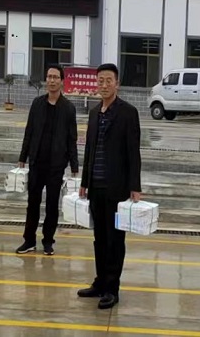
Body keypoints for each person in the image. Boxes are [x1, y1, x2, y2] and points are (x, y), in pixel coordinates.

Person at [76, 63, 142, 310]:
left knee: (115, 239)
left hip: (117, 188)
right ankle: (100, 281)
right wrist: (85, 182)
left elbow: (133, 152)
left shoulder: (128, 113)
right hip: (96, 187)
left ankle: (112, 289)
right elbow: (89, 150)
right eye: (100, 81)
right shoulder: (95, 113)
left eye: (108, 81)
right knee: (99, 238)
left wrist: (134, 185)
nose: (104, 85)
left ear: (117, 84)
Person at [16, 64, 79, 256]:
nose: (51, 80)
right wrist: (23, 157)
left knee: (52, 205)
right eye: (49, 77)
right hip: (36, 162)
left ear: (62, 81)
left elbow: (72, 139)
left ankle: (48, 241)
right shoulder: (37, 104)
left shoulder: (68, 108)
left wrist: (74, 165)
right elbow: (29, 131)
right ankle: (29, 240)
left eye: (55, 77)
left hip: (56, 165)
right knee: (32, 203)